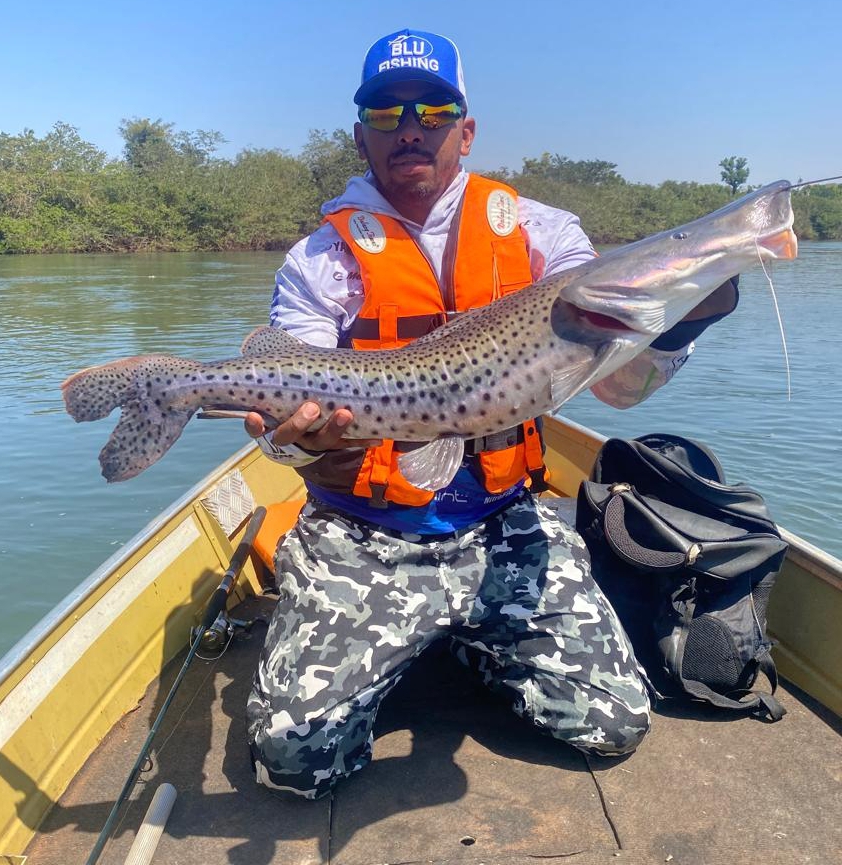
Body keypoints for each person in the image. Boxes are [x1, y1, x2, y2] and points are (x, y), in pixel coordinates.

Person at [244, 28, 738, 798]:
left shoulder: (547, 237)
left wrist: (685, 319)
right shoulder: (317, 260)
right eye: (386, 111)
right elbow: (288, 425)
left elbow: (617, 389)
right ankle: (396, 626)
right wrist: (305, 449)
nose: (411, 126)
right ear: (361, 134)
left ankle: (453, 640)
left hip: (503, 523)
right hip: (365, 532)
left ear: (465, 130)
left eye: (434, 108)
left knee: (613, 721)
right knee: (296, 763)